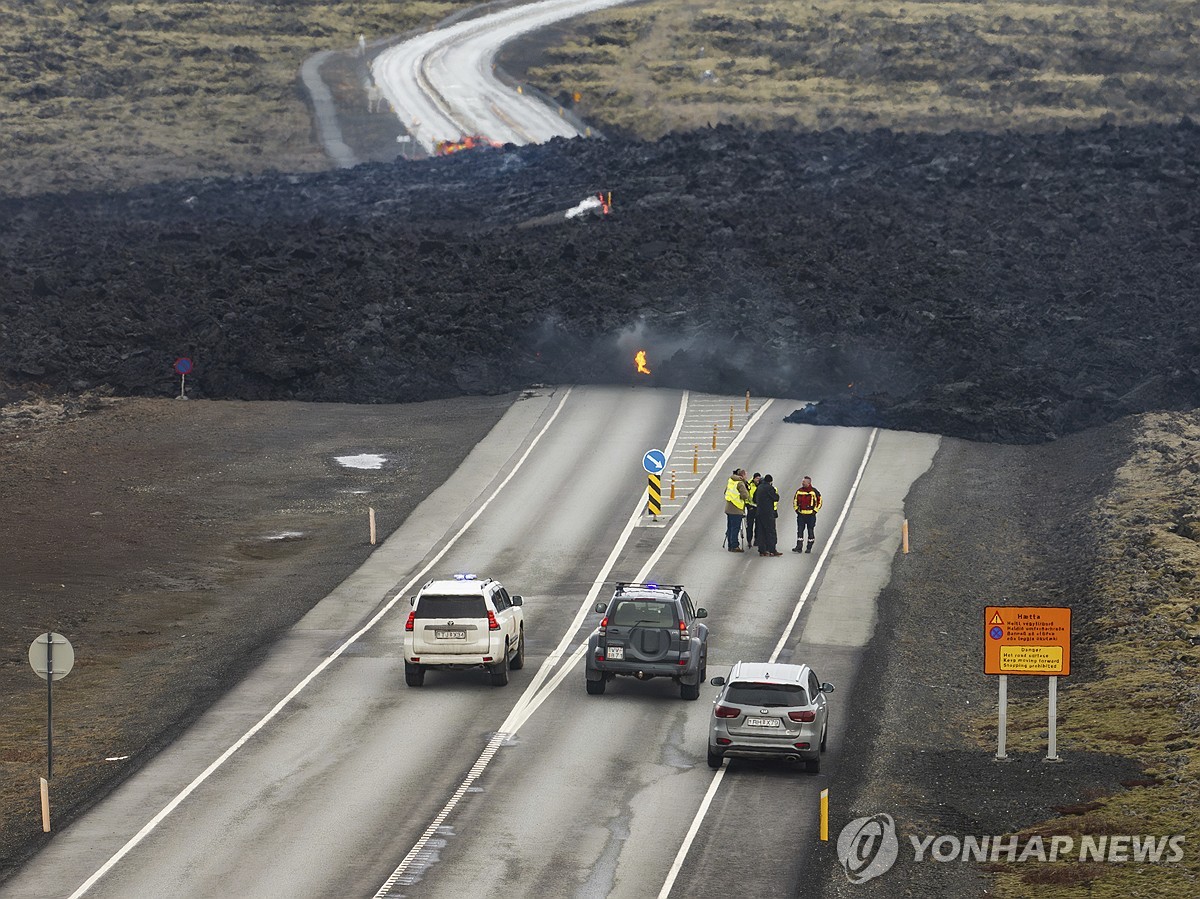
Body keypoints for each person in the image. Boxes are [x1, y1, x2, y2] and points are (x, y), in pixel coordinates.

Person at [792, 475, 823, 553]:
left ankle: (809, 547)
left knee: (810, 531)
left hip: (810, 515)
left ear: (809, 483)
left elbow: (819, 501)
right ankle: (799, 546)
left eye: (804, 482)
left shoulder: (814, 492)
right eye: (802, 482)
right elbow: (795, 501)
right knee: (800, 530)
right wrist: (796, 510)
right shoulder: (799, 491)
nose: (802, 483)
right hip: (801, 515)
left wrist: (815, 511)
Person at [723, 468, 750, 551]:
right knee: (735, 528)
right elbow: (745, 495)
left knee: (730, 527)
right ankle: (735, 545)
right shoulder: (740, 483)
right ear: (742, 475)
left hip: (729, 508)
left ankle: (730, 545)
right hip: (736, 509)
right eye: (746, 475)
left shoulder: (731, 481)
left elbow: (725, 492)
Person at [755, 474, 782, 555]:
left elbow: (754, 498)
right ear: (770, 481)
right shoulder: (769, 488)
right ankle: (772, 550)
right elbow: (776, 498)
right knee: (770, 531)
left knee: (761, 531)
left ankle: (762, 550)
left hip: (759, 512)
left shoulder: (759, 487)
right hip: (768, 513)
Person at [744, 472, 762, 547]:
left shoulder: (761, 485)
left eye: (759, 478)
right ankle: (749, 540)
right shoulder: (749, 485)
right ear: (754, 478)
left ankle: (756, 540)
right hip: (751, 508)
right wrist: (747, 505)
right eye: (757, 478)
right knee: (750, 525)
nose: (758, 480)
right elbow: (746, 495)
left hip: (758, 508)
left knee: (758, 525)